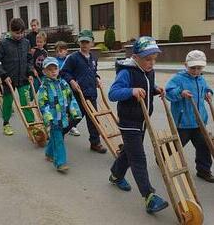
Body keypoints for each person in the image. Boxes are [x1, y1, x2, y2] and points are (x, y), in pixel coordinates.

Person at [108, 36, 168, 214]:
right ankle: (149, 196)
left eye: (154, 59)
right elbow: (113, 93)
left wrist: (155, 89)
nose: (152, 63)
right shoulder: (127, 72)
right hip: (129, 122)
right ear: (136, 57)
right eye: (148, 59)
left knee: (129, 152)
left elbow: (146, 85)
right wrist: (131, 91)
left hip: (142, 121)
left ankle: (116, 175)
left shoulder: (148, 71)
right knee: (138, 158)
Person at [165, 50, 214, 182]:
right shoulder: (178, 79)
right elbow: (168, 93)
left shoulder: (201, 79)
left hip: (199, 122)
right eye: (193, 68)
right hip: (183, 123)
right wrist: (180, 93)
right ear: (185, 65)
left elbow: (206, 89)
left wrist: (208, 93)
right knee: (176, 145)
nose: (196, 71)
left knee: (204, 146)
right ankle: (162, 157)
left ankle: (204, 170)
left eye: (199, 68)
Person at [61, 30, 107, 153]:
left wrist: (97, 78)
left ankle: (95, 143)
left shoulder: (93, 58)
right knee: (76, 117)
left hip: (91, 93)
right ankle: (60, 132)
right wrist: (72, 81)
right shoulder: (73, 58)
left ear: (92, 43)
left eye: (87, 42)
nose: (84, 44)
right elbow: (64, 72)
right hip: (79, 93)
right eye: (82, 42)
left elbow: (93, 72)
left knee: (93, 119)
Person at [0, 18, 34, 136]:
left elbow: (29, 59)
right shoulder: (3, 44)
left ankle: (32, 125)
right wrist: (3, 75)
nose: (19, 35)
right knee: (8, 102)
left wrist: (30, 72)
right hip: (8, 78)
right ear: (11, 31)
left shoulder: (26, 43)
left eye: (21, 33)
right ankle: (6, 123)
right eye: (16, 33)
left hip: (23, 77)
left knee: (26, 102)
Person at [38, 57, 82, 172]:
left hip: (63, 117)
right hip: (53, 118)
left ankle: (49, 153)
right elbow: (43, 104)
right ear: (44, 71)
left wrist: (75, 112)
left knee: (54, 137)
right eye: (49, 69)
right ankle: (60, 163)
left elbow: (71, 98)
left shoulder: (63, 83)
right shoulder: (44, 87)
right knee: (58, 139)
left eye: (55, 68)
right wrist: (48, 117)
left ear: (58, 69)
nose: (53, 71)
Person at [55, 41, 81, 137]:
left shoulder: (70, 60)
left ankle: (71, 126)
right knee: (61, 106)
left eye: (61, 51)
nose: (59, 53)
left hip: (68, 87)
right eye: (57, 51)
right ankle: (60, 124)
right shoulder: (55, 61)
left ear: (66, 51)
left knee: (71, 106)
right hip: (59, 88)